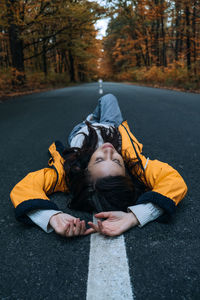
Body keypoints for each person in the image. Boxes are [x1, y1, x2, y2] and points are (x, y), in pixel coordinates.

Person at [10, 94, 188, 238]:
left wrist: (50, 217)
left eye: (100, 160)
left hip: (82, 132)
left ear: (85, 170)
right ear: (126, 169)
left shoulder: (67, 172)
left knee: (100, 108)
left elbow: (25, 188)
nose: (109, 151)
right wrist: (136, 215)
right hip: (112, 127)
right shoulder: (136, 166)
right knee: (108, 98)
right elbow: (173, 181)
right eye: (117, 161)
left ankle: (91, 119)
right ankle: (94, 118)